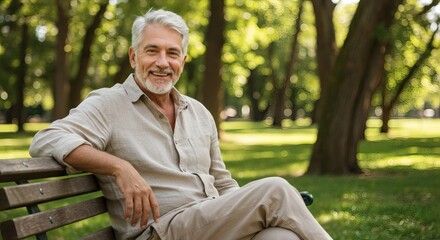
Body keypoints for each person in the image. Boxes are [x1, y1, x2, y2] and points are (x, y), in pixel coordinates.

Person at [29, 9, 332, 240]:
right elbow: (47, 138)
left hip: (208, 225)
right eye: (152, 51)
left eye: (172, 53)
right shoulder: (109, 104)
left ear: (183, 61)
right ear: (134, 57)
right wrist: (120, 167)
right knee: (275, 189)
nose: (163, 62)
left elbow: (223, 182)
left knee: (281, 237)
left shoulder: (198, 112)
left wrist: (243, 213)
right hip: (160, 231)